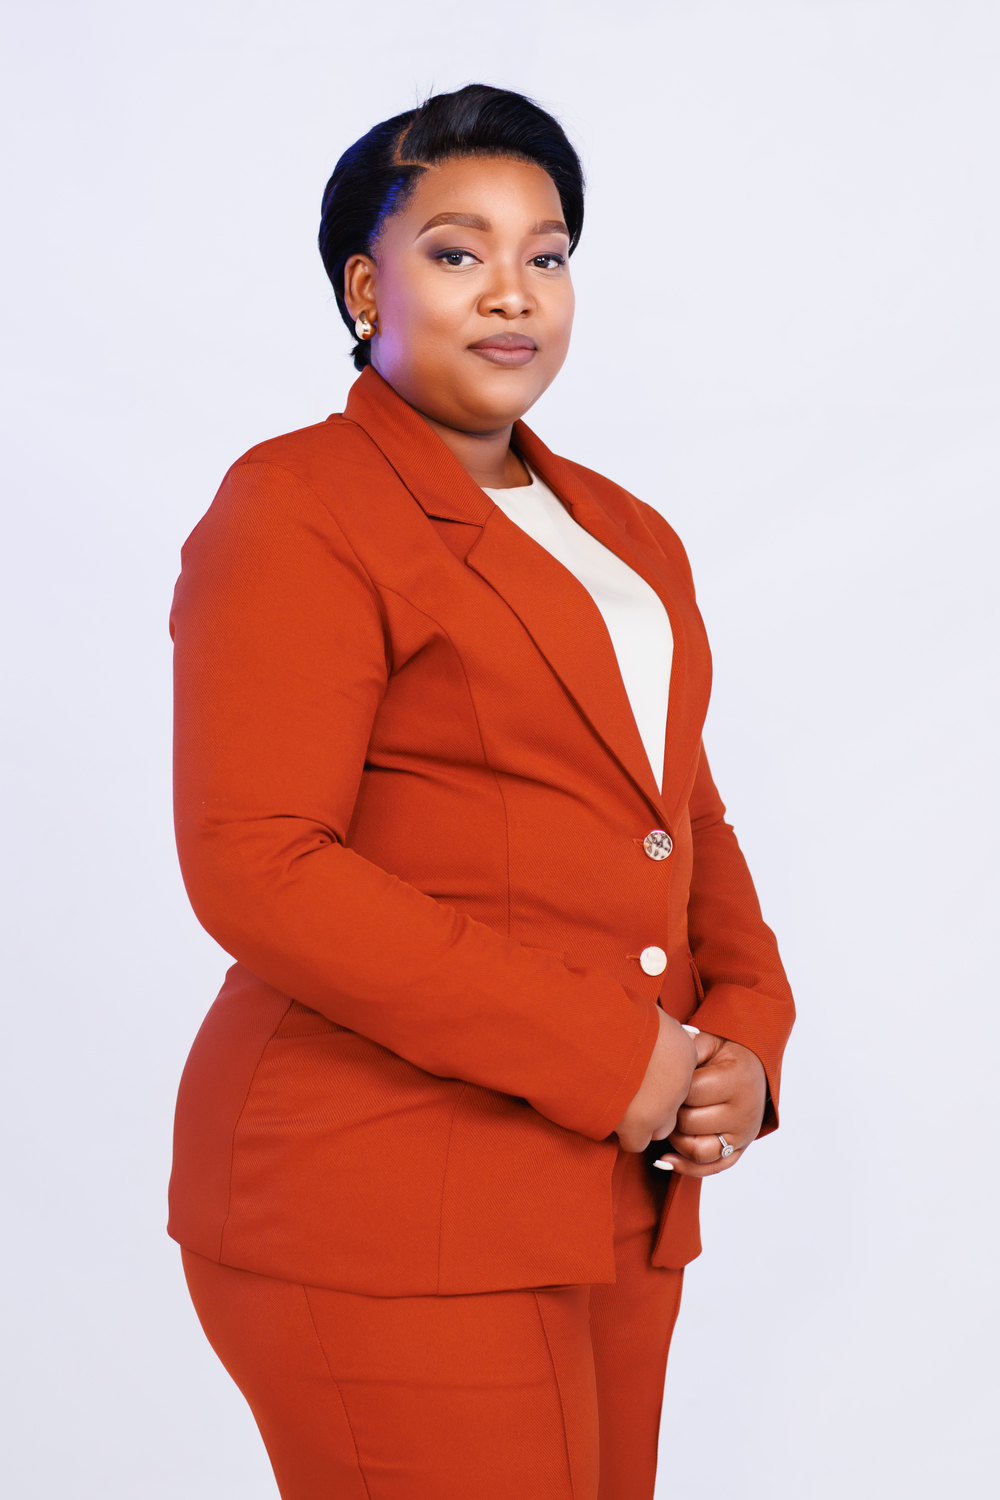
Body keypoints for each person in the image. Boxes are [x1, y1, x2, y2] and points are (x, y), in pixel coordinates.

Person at [168, 83, 795, 1500]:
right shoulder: (297, 505)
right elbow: (261, 863)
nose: (513, 292)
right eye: (457, 252)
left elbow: (682, 815)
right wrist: (621, 1059)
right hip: (380, 1191)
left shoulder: (626, 533)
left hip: (612, 1193)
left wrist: (747, 1040)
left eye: (547, 255)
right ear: (363, 287)